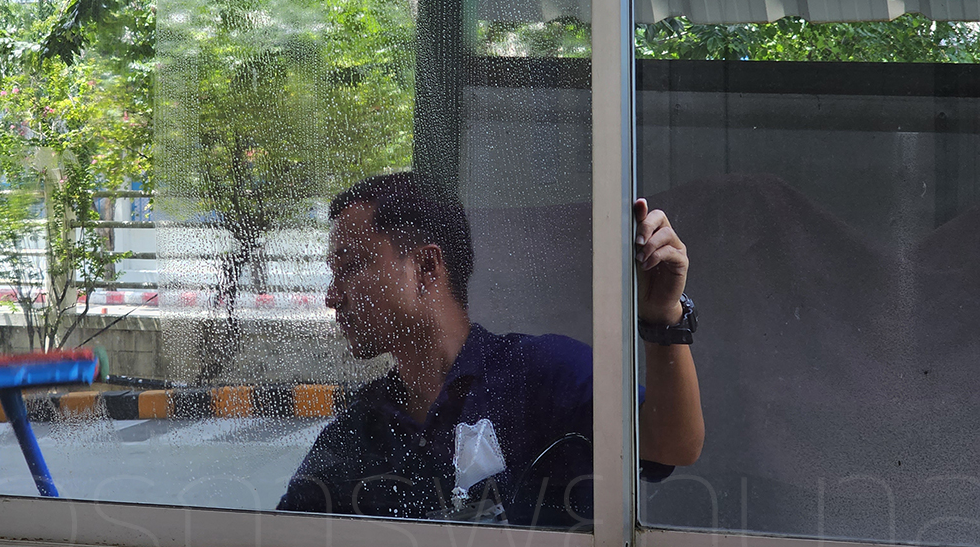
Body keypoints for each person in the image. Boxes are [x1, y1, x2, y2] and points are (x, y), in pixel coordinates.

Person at [277, 172, 704, 525]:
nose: (331, 296)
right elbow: (285, 546)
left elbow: (672, 445)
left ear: (426, 267)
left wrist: (664, 318)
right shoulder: (362, 427)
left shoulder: (540, 375)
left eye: (350, 266)